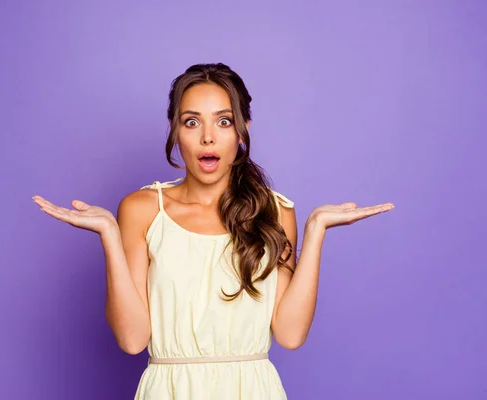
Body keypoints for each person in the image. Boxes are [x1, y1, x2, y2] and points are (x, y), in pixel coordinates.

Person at [32, 63, 394, 399]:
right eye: (192, 122)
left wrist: (315, 231)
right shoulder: (141, 209)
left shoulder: (276, 211)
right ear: (175, 130)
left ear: (242, 130)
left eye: (223, 121)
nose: (208, 137)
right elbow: (131, 339)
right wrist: (109, 236)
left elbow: (290, 333)